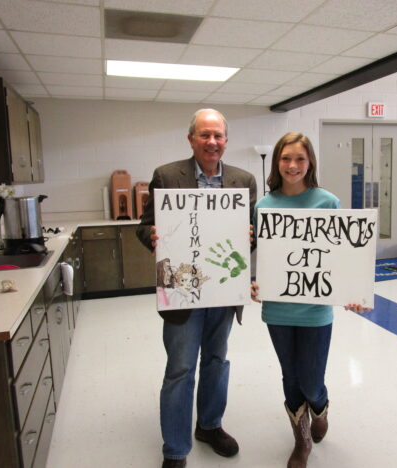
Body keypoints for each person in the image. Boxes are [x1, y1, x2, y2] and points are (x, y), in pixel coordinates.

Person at [136, 109, 257, 468]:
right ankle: (175, 448)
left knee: (217, 361)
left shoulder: (243, 180)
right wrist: (152, 236)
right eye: (204, 135)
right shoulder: (166, 176)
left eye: (218, 135)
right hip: (181, 289)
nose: (212, 142)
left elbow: (252, 234)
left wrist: (250, 235)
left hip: (223, 288)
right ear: (191, 139)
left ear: (226, 141)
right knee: (181, 367)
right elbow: (143, 226)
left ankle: (209, 425)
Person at [251, 132, 368, 468]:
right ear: (277, 162)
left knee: (311, 381)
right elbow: (262, 255)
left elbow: (342, 256)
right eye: (286, 158)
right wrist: (254, 283)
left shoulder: (327, 202)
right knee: (290, 378)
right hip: (278, 310)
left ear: (310, 162)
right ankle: (301, 441)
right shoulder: (264, 205)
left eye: (300, 159)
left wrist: (353, 290)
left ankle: (320, 407)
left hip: (316, 311)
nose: (292, 165)